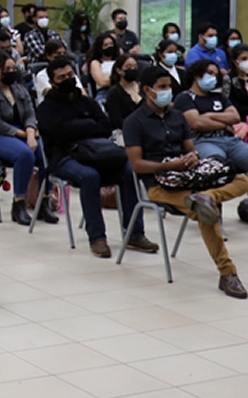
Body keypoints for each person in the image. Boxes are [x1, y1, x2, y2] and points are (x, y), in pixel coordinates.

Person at [123, 66, 248, 298]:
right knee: (205, 212)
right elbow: (137, 165)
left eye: (169, 86)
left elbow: (191, 149)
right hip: (159, 184)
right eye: (161, 87)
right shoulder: (134, 121)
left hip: (189, 177)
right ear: (147, 90)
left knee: (241, 180)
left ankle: (208, 197)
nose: (167, 91)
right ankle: (228, 272)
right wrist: (170, 166)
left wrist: (192, 157)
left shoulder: (177, 116)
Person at [38, 56, 158, 256]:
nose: (67, 79)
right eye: (61, 77)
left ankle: (134, 235)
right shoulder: (46, 108)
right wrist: (87, 126)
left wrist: (75, 127)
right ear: (52, 83)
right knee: (90, 176)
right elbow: (59, 135)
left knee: (128, 171)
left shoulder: (86, 101)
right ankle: (97, 237)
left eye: (70, 75)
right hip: (63, 158)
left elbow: (105, 126)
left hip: (96, 152)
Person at [176, 59, 248, 231]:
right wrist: (222, 122)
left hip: (231, 141)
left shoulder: (219, 96)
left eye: (216, 74)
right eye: (210, 73)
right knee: (217, 168)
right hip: (203, 142)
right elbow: (196, 123)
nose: (214, 78)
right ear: (197, 75)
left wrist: (208, 116)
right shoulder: (184, 98)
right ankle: (215, 222)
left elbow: (235, 117)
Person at [0, 52, 57, 226]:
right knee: (25, 154)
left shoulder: (20, 89)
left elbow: (29, 114)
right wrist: (26, 136)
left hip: (21, 134)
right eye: (7, 69)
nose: (12, 72)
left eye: (14, 68)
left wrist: (30, 132)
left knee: (47, 152)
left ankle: (44, 200)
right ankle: (18, 204)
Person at [35, 40, 85, 105]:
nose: (62, 56)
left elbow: (83, 93)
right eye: (58, 54)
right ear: (48, 56)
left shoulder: (70, 74)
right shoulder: (42, 75)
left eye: (64, 53)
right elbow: (53, 94)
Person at [103, 55, 143, 130]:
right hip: (125, 130)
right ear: (119, 70)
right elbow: (117, 120)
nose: (132, 69)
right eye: (128, 67)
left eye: (135, 66)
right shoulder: (114, 92)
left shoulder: (144, 87)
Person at [86, 31, 120, 103]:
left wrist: (107, 77)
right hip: (104, 94)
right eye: (106, 45)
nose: (109, 46)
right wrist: (119, 77)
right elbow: (101, 82)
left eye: (111, 44)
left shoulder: (119, 60)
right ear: (100, 48)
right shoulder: (96, 63)